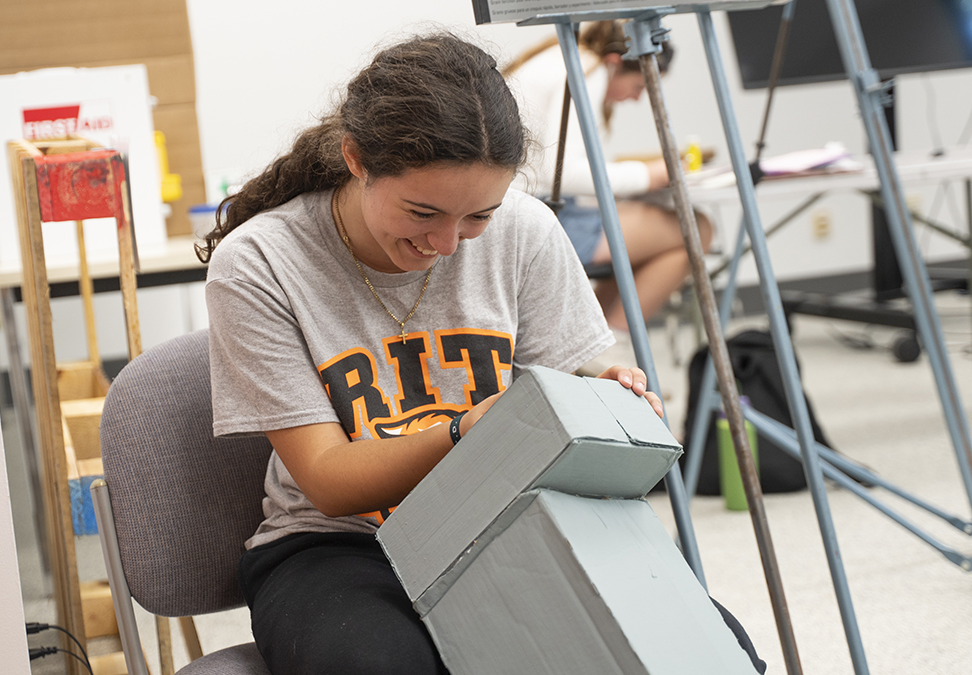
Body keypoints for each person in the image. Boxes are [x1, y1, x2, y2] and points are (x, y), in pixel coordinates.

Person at [199, 33, 761, 675]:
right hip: (341, 545)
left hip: (507, 519)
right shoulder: (261, 263)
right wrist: (469, 430)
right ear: (356, 158)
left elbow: (565, 380)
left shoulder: (525, 229)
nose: (446, 244)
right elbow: (328, 481)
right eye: (422, 212)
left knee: (709, 652)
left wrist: (605, 394)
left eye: (477, 217)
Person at [505, 21, 714, 360]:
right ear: (616, 62)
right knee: (696, 230)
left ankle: (592, 344)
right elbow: (560, 171)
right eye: (638, 85)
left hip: (527, 208)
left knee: (659, 244)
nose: (636, 98)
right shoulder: (587, 69)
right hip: (538, 219)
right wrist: (649, 175)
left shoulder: (564, 58)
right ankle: (609, 351)